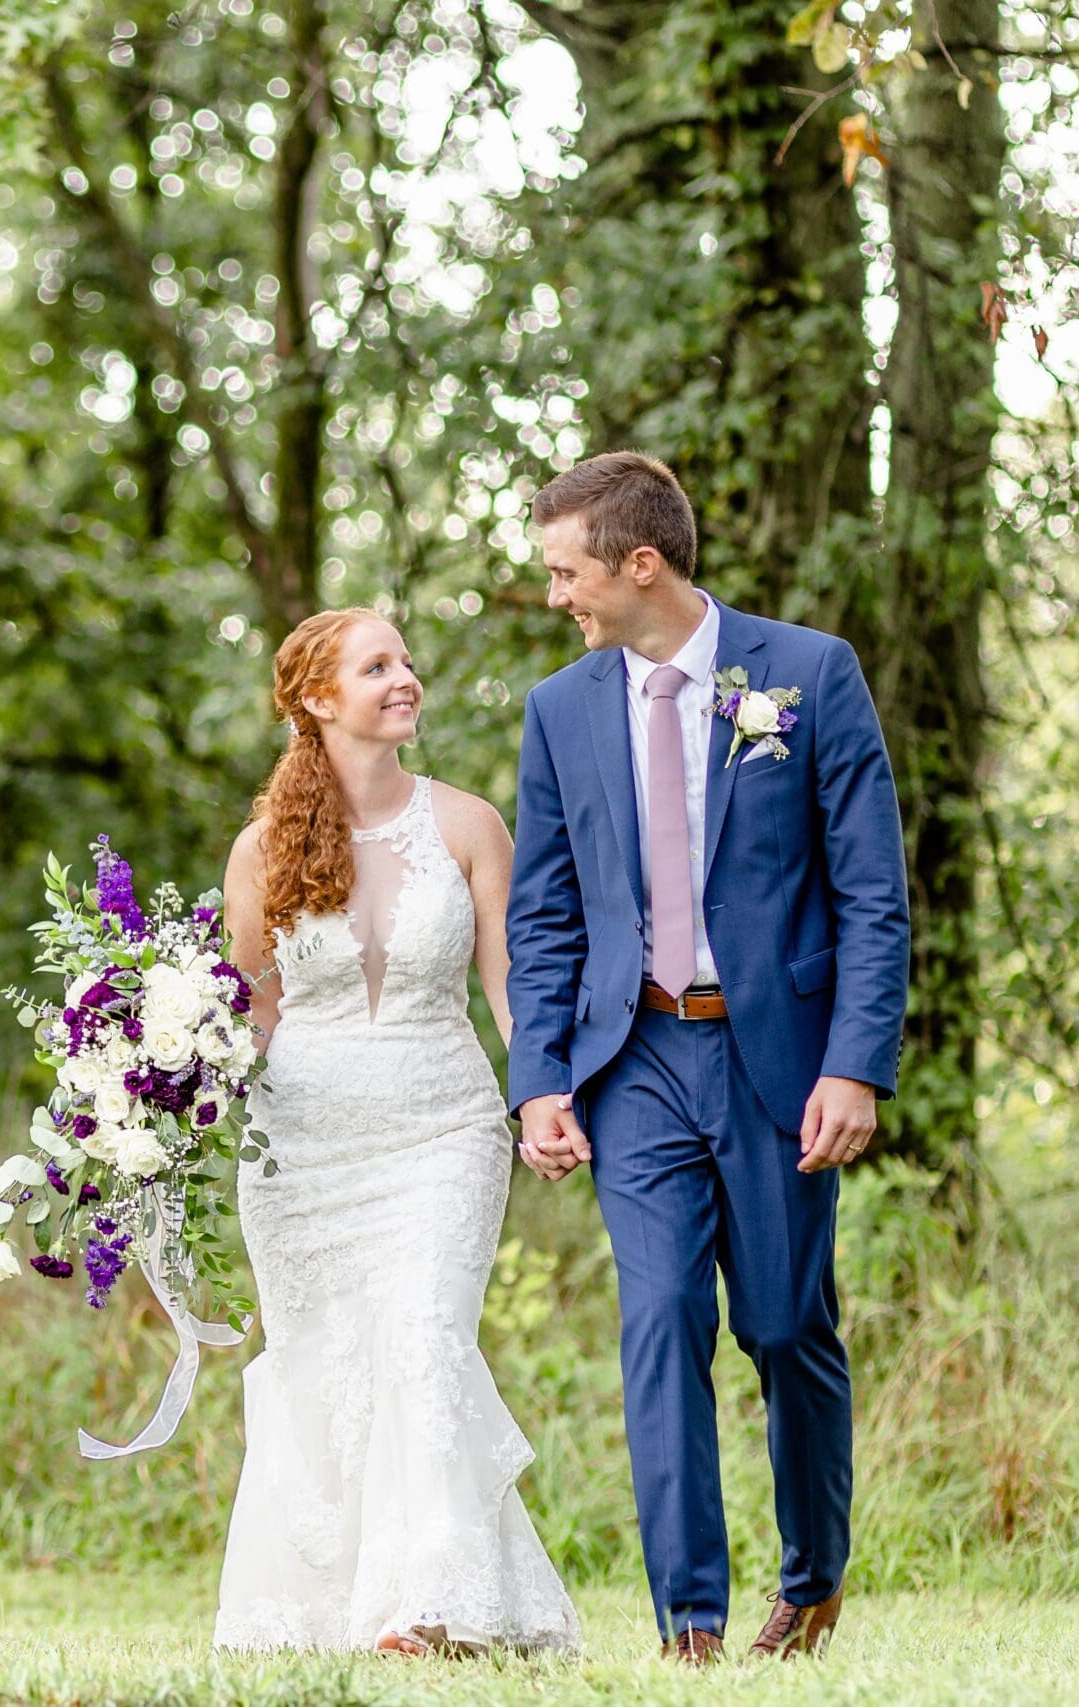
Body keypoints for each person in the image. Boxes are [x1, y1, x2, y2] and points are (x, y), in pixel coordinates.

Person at [504, 451, 911, 1664]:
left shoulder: (807, 674)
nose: (555, 598)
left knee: (785, 1328)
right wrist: (538, 1079)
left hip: (778, 1058)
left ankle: (812, 1581)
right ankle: (688, 1620)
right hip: (632, 1063)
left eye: (566, 572)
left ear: (640, 565)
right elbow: (542, 914)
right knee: (662, 1315)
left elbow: (873, 894)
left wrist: (857, 1064)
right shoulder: (560, 709)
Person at [213, 607, 580, 1658]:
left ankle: (429, 1605)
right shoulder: (261, 849)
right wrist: (160, 1090)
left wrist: (538, 1095)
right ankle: (349, 1604)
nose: (404, 679)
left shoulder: (467, 826)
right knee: (324, 1367)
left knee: (424, 1342)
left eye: (407, 662)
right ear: (318, 700)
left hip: (440, 1129)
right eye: (378, 668)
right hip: (300, 1151)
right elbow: (250, 1007)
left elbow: (510, 986)